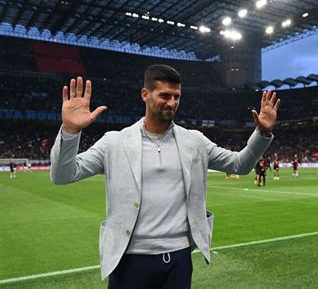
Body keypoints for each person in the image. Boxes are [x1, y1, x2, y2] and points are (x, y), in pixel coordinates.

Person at [50, 64, 280, 289]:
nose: (172, 103)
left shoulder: (195, 141)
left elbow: (239, 165)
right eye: (165, 95)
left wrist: (262, 133)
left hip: (179, 258)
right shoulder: (115, 142)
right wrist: (70, 131)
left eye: (177, 97)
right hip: (130, 259)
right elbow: (62, 175)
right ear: (145, 94)